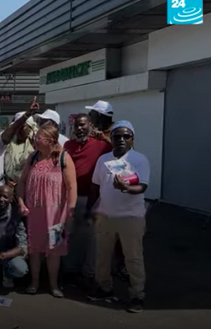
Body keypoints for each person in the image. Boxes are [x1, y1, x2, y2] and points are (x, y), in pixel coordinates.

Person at [87, 121, 149, 314]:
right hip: (105, 216)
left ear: (132, 140)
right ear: (111, 138)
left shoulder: (139, 160)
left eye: (126, 136)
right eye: (117, 136)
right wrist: (89, 208)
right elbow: (95, 187)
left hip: (131, 218)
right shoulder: (103, 160)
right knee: (102, 256)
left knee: (133, 258)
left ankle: (137, 295)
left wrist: (126, 188)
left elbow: (143, 186)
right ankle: (104, 287)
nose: (121, 139)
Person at [17, 123, 77, 298]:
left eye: (39, 138)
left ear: (51, 140)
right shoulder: (33, 157)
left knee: (54, 251)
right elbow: (22, 182)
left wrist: (69, 213)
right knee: (34, 250)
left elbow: (72, 188)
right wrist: (21, 202)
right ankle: (34, 282)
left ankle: (53, 285)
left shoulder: (63, 158)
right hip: (34, 213)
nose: (35, 140)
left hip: (56, 214)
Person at [63, 113, 112, 284]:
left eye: (83, 125)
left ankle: (89, 273)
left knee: (92, 239)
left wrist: (106, 139)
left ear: (89, 125)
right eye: (77, 125)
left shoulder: (101, 145)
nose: (80, 128)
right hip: (71, 199)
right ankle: (71, 270)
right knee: (73, 235)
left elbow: (122, 153)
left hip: (93, 198)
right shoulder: (68, 145)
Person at [4, 111, 38, 189]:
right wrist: (5, 179)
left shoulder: (35, 144)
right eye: (17, 126)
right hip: (10, 188)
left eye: (22, 126)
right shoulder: (8, 143)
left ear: (30, 128)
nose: (19, 129)